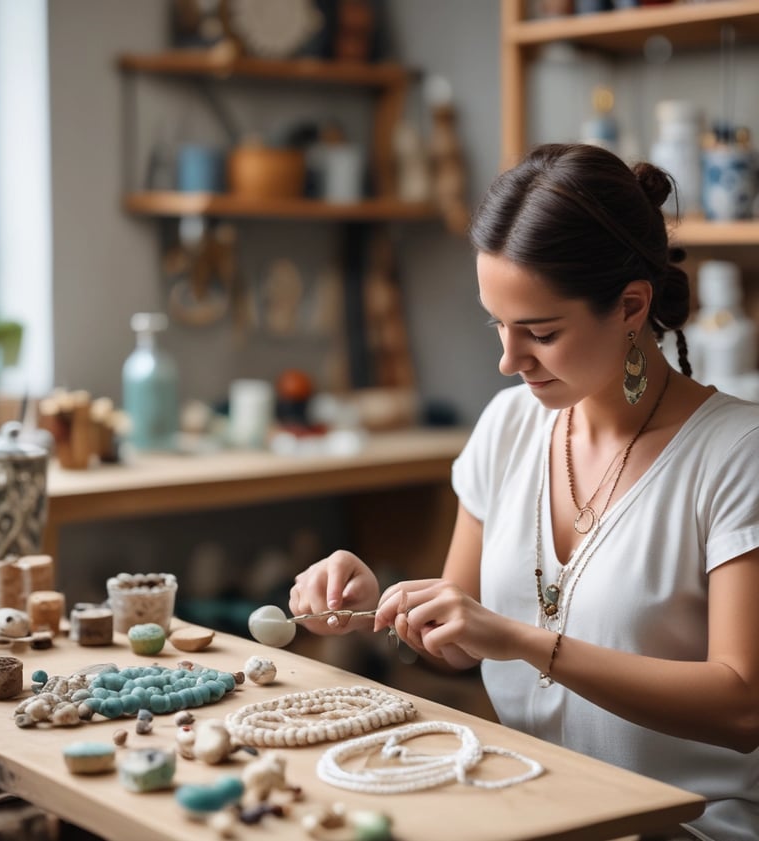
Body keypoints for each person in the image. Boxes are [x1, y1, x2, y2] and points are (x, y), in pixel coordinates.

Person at [288, 143, 759, 841]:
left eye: (540, 332)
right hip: (536, 804)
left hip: (685, 826)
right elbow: (455, 646)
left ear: (632, 306)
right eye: (498, 325)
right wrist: (377, 601)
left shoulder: (736, 453)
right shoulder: (510, 425)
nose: (509, 361)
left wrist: (524, 639)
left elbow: (742, 706)